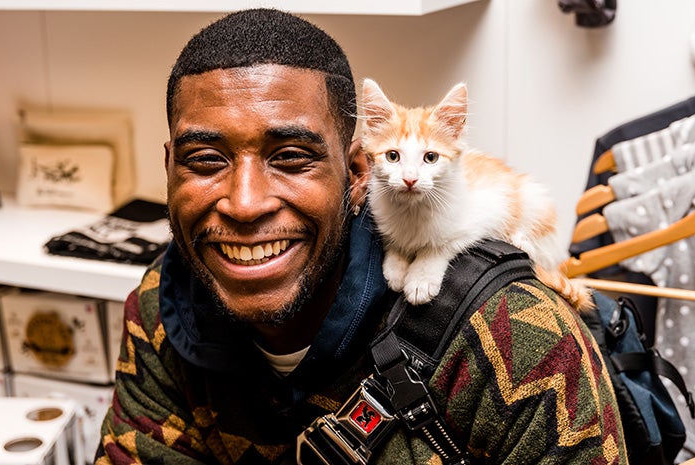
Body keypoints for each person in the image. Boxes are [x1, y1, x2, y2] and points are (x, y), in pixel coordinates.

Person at [96, 8, 628, 464]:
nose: (246, 202)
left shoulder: (520, 339)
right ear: (169, 170)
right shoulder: (163, 306)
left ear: (357, 174)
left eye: (290, 158)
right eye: (207, 161)